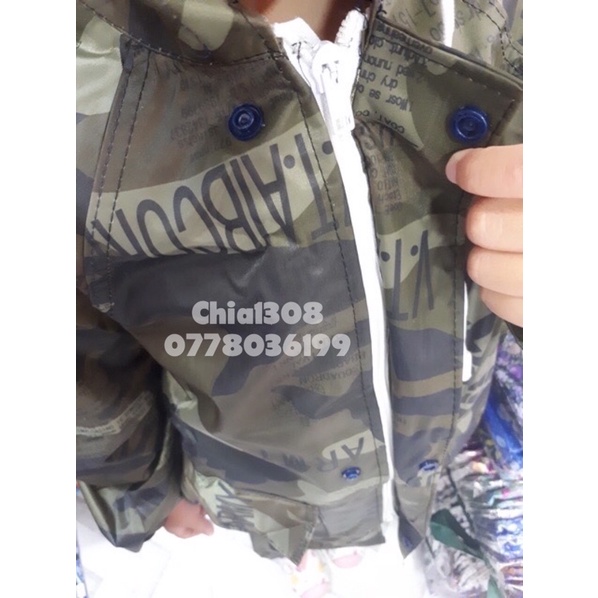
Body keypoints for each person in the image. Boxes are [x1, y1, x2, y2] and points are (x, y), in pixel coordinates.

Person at [76, 0, 522, 594]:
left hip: (443, 440)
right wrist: (139, 492)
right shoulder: (76, 75)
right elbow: (81, 355)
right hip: (260, 495)